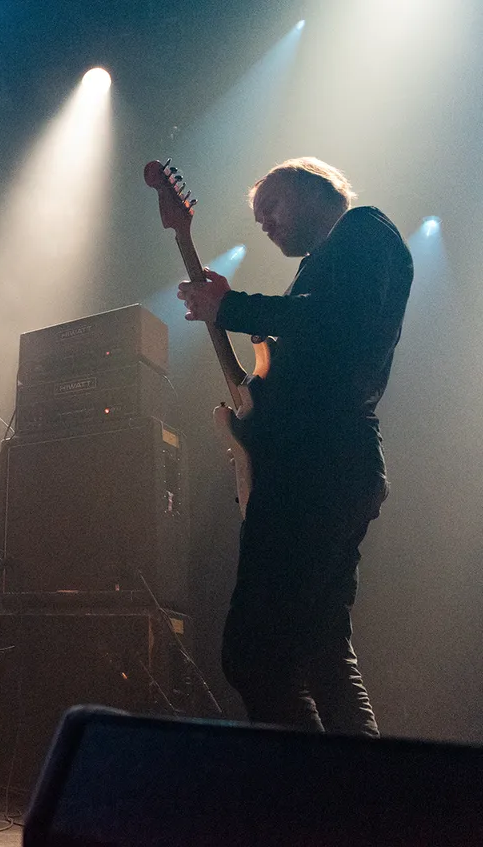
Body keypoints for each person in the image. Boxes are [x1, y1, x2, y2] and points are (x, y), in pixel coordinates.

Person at [177, 157, 413, 735]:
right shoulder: (324, 263)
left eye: (272, 207)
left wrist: (230, 308)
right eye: (258, 217)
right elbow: (307, 363)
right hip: (329, 463)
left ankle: (305, 784)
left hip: (320, 467)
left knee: (254, 653)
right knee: (321, 649)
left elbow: (332, 321)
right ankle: (362, 788)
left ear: (318, 188)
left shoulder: (364, 230)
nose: (264, 223)